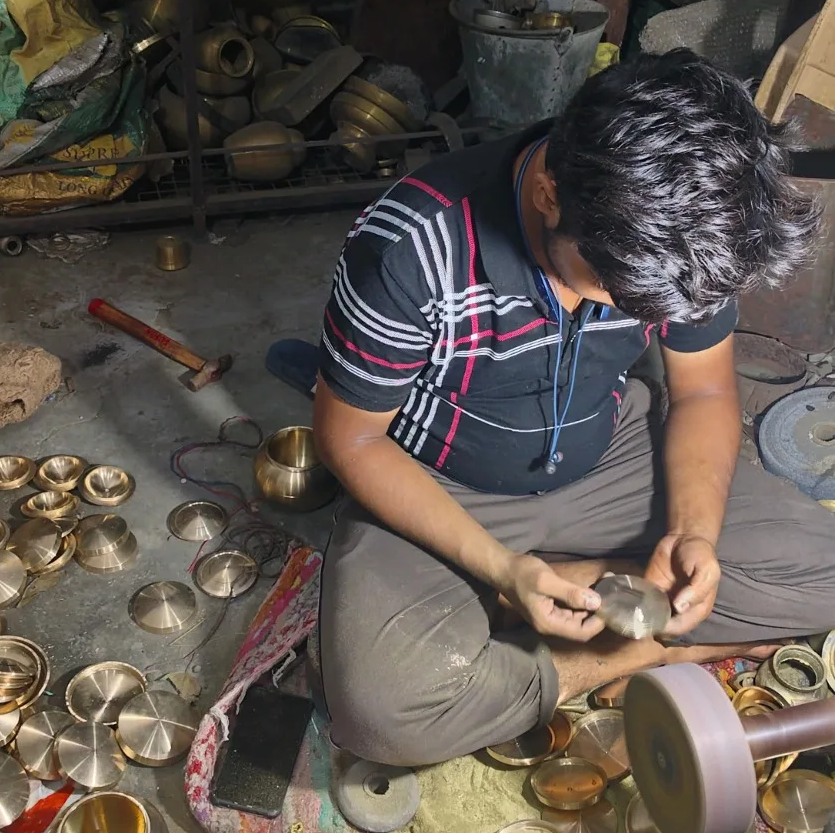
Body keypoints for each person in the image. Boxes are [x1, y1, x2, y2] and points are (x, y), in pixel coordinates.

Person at [294, 49, 835, 765]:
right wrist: (500, 568)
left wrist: (693, 532)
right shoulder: (410, 247)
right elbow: (351, 440)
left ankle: (586, 592)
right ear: (549, 195)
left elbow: (703, 390)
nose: (644, 315)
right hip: (441, 482)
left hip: (607, 454)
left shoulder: (692, 231)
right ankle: (629, 644)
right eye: (622, 292)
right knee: (381, 714)